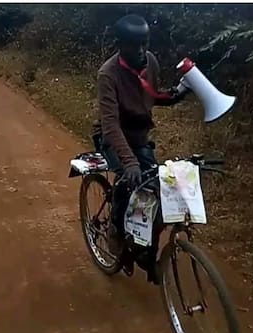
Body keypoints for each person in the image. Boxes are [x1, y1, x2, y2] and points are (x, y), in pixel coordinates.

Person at [96, 14, 189, 278]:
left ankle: (143, 245)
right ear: (120, 44)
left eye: (144, 44)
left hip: (139, 136)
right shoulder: (108, 74)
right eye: (133, 45)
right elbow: (110, 124)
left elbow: (151, 98)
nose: (139, 51)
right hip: (113, 139)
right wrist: (129, 161)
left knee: (155, 191)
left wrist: (177, 96)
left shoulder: (151, 63)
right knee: (128, 182)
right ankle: (116, 230)